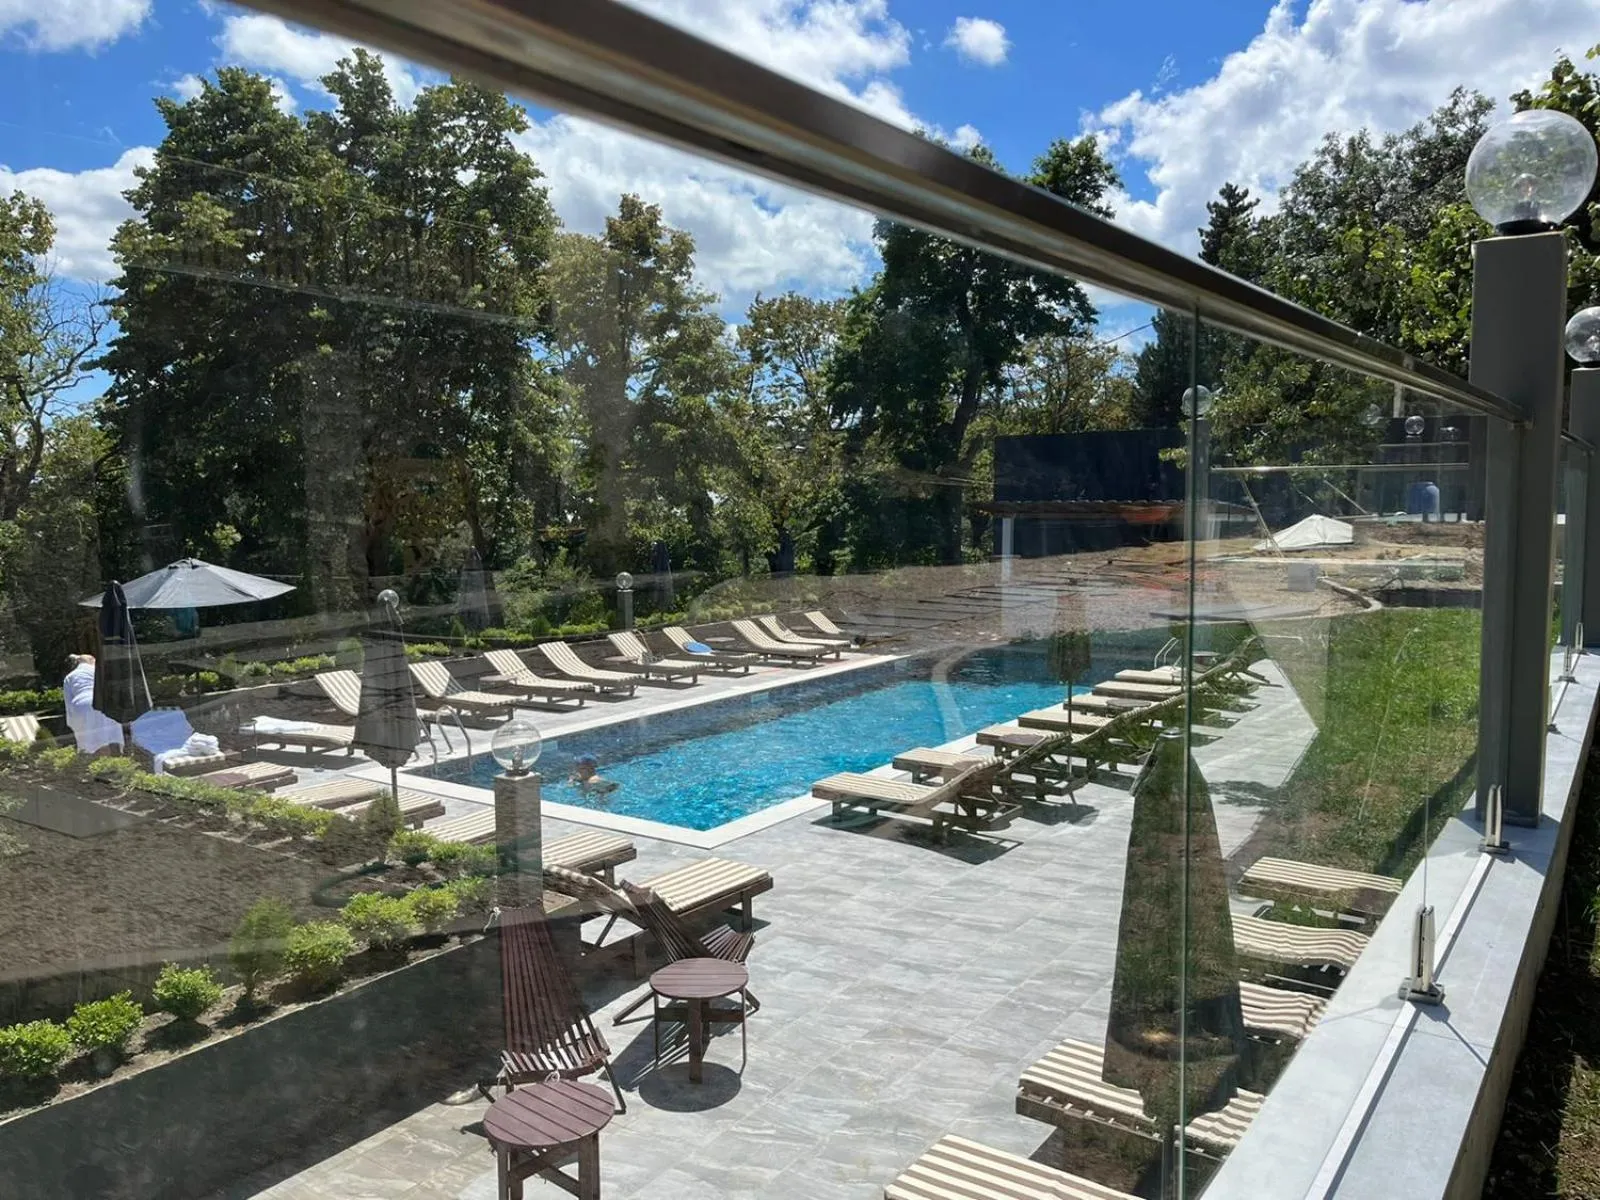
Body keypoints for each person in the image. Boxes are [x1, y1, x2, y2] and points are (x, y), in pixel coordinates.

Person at [61, 654, 123, 755]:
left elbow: (68, 702)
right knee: (107, 735)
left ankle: (95, 761)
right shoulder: (97, 671)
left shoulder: (69, 677)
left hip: (81, 704)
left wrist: (72, 721)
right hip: (101, 701)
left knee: (90, 737)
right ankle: (111, 761)